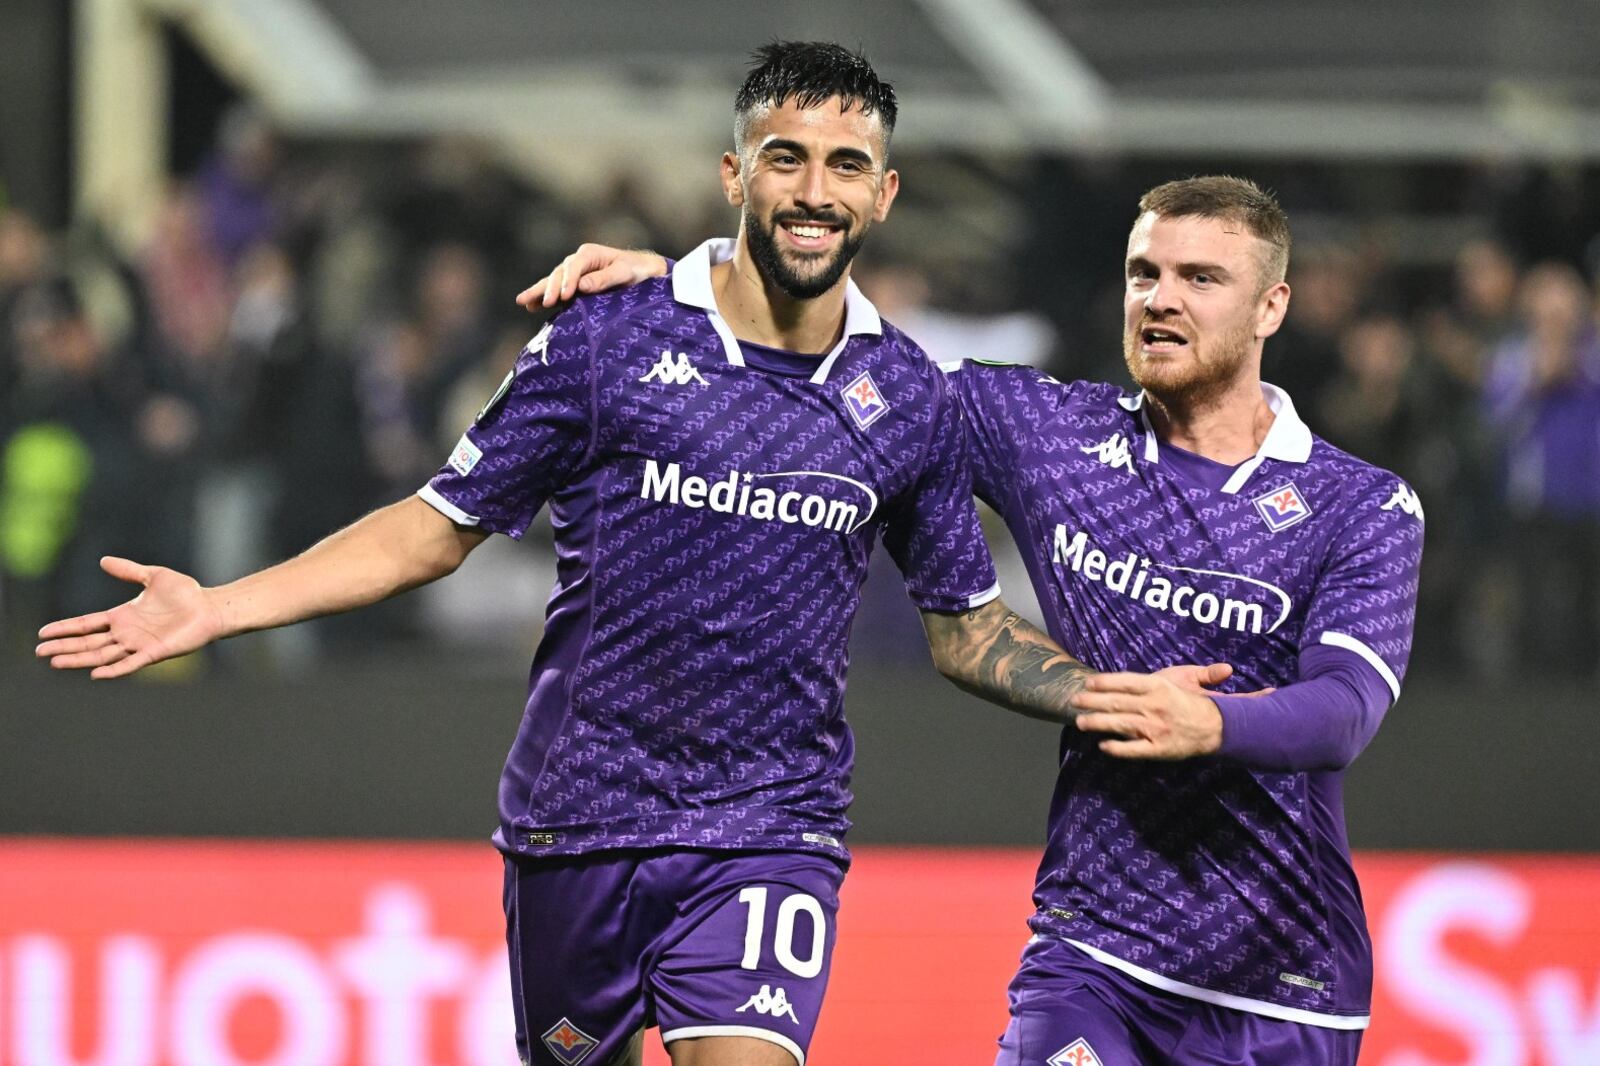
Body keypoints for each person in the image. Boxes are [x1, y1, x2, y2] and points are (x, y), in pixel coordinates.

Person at [35, 43, 1225, 1066]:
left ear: (886, 193)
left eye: (846, 165)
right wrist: (219, 608)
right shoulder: (605, 341)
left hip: (772, 825)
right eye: (787, 158)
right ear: (734, 175)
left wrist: (1110, 696)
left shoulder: (902, 394)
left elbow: (964, 625)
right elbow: (434, 527)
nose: (815, 191)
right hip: (579, 820)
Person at [521, 174, 1425, 1065]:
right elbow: (848, 372)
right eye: (1144, 272)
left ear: (1271, 307)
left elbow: (1345, 707)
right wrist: (700, 294)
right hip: (1092, 951)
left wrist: (1213, 722)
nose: (1160, 299)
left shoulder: (1360, 507)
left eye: (1200, 279)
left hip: (1282, 978)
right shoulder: (1051, 435)